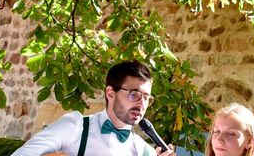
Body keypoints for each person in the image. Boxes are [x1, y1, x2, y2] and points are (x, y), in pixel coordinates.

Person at [11, 60, 175, 155]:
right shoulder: (75, 126)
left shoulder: (143, 151)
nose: (141, 104)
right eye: (134, 94)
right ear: (110, 93)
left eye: (146, 98)